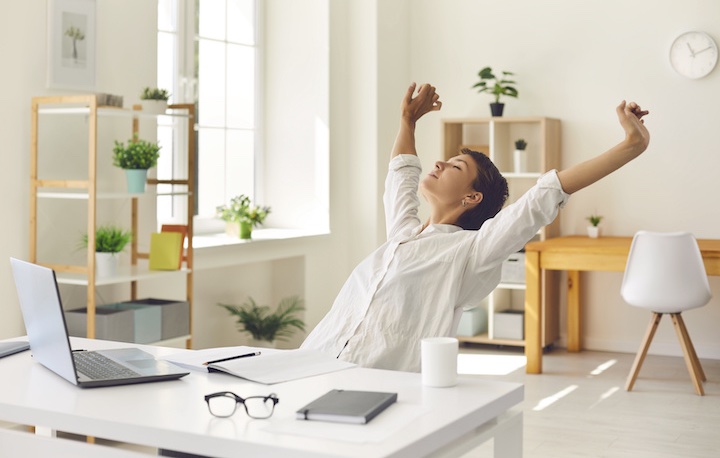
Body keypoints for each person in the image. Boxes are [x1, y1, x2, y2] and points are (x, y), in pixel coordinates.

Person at [301, 83, 650, 372]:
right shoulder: (403, 235)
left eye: (454, 166)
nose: (439, 162)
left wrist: (631, 146)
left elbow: (546, 194)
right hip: (312, 360)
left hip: (370, 382)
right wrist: (408, 120)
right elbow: (401, 174)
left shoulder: (472, 252)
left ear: (471, 197)